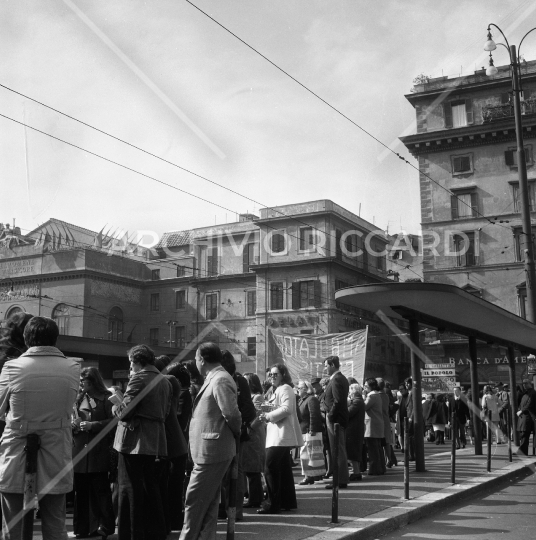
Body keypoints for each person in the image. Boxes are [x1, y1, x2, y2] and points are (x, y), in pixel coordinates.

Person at [0, 316, 80, 540]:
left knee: (13, 525)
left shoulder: (12, 367)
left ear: (26, 338)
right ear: (55, 339)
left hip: (16, 449)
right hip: (57, 450)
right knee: (55, 524)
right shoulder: (72, 367)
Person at [180, 343, 241, 540]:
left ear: (201, 359)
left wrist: (235, 432)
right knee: (208, 503)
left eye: (196, 359)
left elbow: (232, 414)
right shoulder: (216, 378)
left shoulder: (220, 379)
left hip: (212, 450)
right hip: (210, 449)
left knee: (194, 500)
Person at [113, 344, 172, 540]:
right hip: (155, 439)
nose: (130, 367)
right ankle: (154, 532)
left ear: (137, 362)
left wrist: (116, 408)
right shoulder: (165, 381)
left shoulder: (139, 378)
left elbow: (125, 411)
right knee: (150, 487)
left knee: (128, 489)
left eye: (131, 363)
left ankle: (130, 534)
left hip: (134, 440)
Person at [72, 367, 116, 539]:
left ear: (93, 380)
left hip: (98, 451)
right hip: (80, 451)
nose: (81, 383)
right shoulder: (78, 399)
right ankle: (82, 528)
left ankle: (106, 526)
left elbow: (113, 422)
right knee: (80, 493)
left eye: (84, 380)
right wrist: (73, 425)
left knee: (101, 491)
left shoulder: (106, 399)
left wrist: (93, 425)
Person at [258, 363, 303, 514]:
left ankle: (273, 503)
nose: (272, 377)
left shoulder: (286, 388)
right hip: (277, 434)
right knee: (283, 469)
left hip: (280, 435)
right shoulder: (277, 389)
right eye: (270, 374)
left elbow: (287, 409)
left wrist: (268, 416)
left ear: (283, 375)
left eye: (275, 374)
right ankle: (287, 501)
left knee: (269, 467)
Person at [219, 351, 256, 521]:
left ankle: (230, 511)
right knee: (236, 471)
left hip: (225, 431)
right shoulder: (240, 380)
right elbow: (249, 410)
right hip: (238, 432)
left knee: (227, 472)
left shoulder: (220, 379)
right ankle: (236, 511)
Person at [155, 357, 188, 533]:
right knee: (171, 488)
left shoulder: (169, 385)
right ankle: (173, 521)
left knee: (171, 488)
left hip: (172, 445)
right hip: (174, 445)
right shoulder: (171, 387)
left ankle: (173, 521)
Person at [320, 356, 350, 489]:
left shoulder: (337, 379)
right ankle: (340, 478)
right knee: (337, 449)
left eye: (326, 365)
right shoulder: (339, 378)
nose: (324, 368)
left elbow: (337, 401)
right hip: (336, 418)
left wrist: (330, 416)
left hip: (335, 420)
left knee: (337, 449)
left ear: (332, 365)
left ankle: (340, 480)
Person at [242, 373, 266, 508]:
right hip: (250, 435)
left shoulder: (257, 397)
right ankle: (253, 496)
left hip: (254, 435)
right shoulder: (249, 397)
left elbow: (260, 415)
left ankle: (255, 498)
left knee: (253, 468)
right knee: (249, 467)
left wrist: (250, 427)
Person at [297, 380, 324, 485]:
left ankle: (309, 476)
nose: (298, 390)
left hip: (309, 431)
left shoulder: (311, 399)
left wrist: (312, 429)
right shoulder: (302, 400)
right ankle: (310, 476)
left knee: (308, 455)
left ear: (305, 389)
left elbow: (314, 415)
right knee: (306, 455)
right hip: (304, 430)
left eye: (299, 388)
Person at [364, 378, 385, 476]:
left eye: (366, 386)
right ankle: (381, 467)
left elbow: (364, 406)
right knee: (378, 448)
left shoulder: (371, 396)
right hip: (377, 423)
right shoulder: (377, 395)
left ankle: (374, 469)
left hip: (371, 425)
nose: (364, 388)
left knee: (372, 448)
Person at [346, 383, 365, 481]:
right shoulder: (358, 401)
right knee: (353, 451)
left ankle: (356, 472)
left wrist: (346, 405)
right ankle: (356, 471)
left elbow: (349, 412)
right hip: (355, 429)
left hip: (354, 429)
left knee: (353, 451)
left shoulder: (357, 401)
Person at [517, 379, 536, 456]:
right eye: (523, 384)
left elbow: (530, 404)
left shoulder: (532, 393)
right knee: (523, 433)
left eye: (525, 383)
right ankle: (523, 451)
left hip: (528, 416)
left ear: (529, 384)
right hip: (524, 416)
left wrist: (521, 411)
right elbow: (521, 403)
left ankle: (523, 451)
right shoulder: (525, 393)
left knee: (524, 433)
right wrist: (519, 410)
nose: (524, 385)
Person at [396, 383, 409, 451]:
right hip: (400, 419)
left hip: (407, 419)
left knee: (406, 434)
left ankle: (407, 449)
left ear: (406, 389)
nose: (400, 390)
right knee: (400, 434)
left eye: (402, 389)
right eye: (399, 389)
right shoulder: (400, 398)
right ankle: (403, 447)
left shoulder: (409, 397)